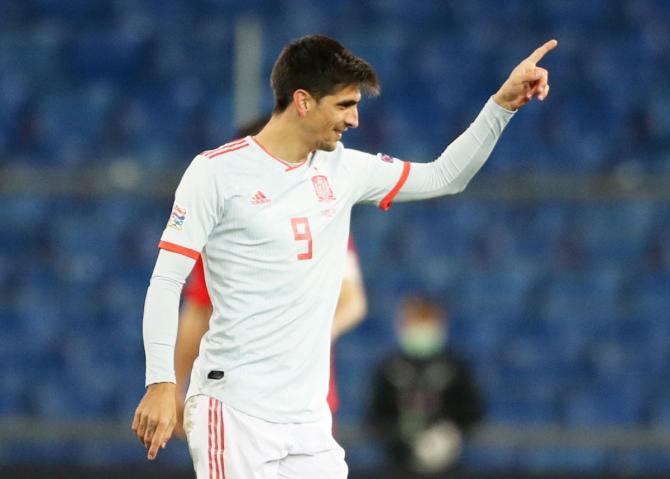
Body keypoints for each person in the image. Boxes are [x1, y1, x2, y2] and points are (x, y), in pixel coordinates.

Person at [131, 34, 557, 478]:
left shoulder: (344, 170)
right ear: (303, 101)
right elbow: (165, 282)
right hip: (236, 410)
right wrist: (161, 382)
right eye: (344, 105)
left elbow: (445, 176)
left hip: (309, 420)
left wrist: (502, 106)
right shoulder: (216, 172)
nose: (354, 119)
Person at [173, 236, 367, 437]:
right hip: (240, 397)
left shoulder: (326, 211)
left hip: (306, 397)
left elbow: (352, 301)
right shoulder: (227, 218)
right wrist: (174, 384)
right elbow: (201, 306)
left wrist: (311, 339)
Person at [370, 296, 482, 476]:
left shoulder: (455, 366)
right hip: (398, 465)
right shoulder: (389, 367)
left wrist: (450, 434)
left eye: (426, 321)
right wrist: (400, 438)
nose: (421, 328)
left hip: (448, 465)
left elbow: (472, 412)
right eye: (416, 321)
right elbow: (375, 415)